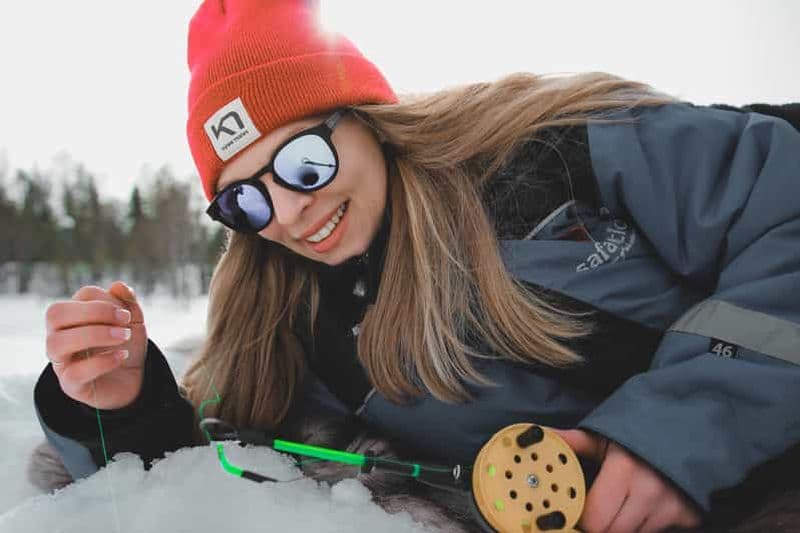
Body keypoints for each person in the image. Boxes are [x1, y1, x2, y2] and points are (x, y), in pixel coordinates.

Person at [32, 1, 800, 531]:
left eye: (304, 161)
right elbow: (209, 455)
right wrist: (116, 400)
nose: (291, 214)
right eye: (245, 202)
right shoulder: (311, 331)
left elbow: (785, 213)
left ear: (364, 116)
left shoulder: (556, 148)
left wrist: (675, 433)